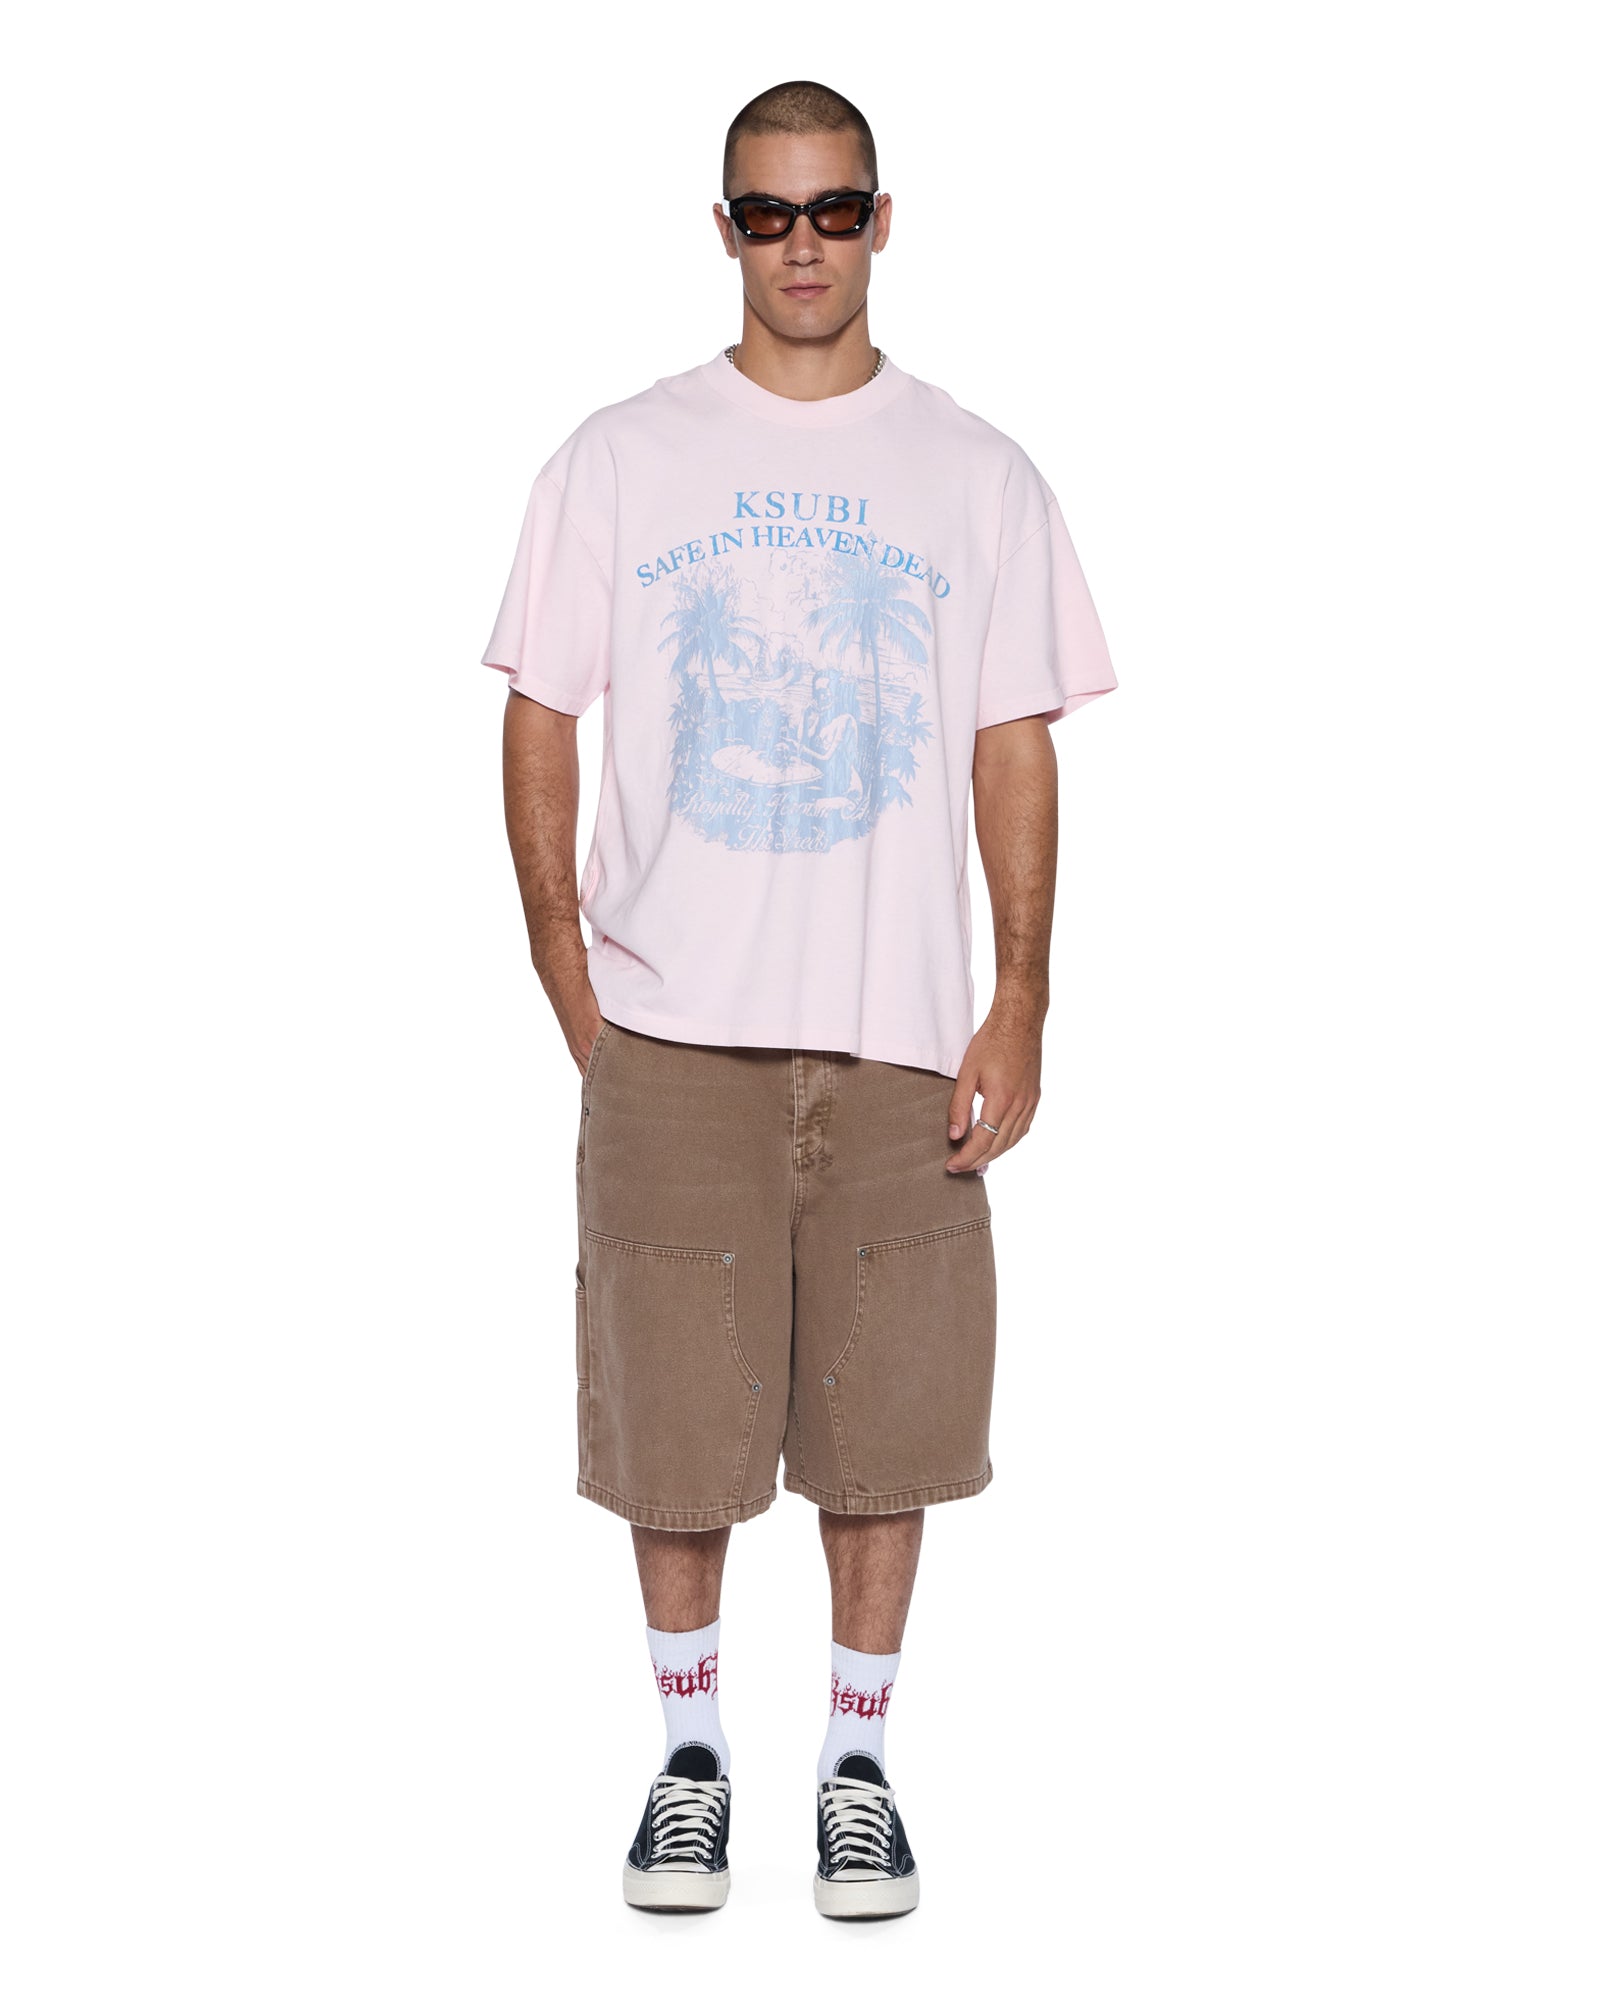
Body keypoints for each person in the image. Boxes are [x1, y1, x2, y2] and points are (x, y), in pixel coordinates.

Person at [479, 79, 1117, 1920]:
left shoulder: (978, 474)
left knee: (886, 1417)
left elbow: (1013, 740)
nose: (804, 245)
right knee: (672, 1430)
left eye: (835, 210)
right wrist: (565, 965)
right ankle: (689, 1760)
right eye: (769, 215)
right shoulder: (619, 458)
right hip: (673, 1037)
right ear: (725, 232)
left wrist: (1022, 999)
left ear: (883, 220)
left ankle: (857, 1768)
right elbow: (541, 712)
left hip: (900, 1033)